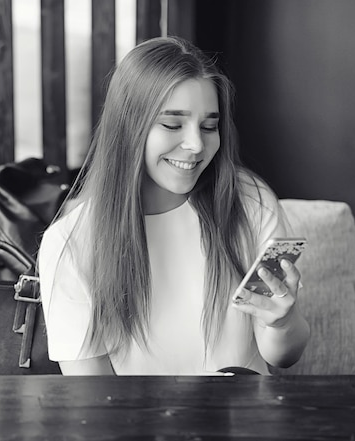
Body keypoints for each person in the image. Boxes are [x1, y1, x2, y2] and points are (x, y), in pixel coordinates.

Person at [37, 36, 310, 375]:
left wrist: (282, 322)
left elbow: (283, 357)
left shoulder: (250, 202)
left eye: (209, 126)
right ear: (128, 127)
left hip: (243, 423)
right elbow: (94, 402)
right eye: (172, 124)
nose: (196, 144)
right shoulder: (70, 244)